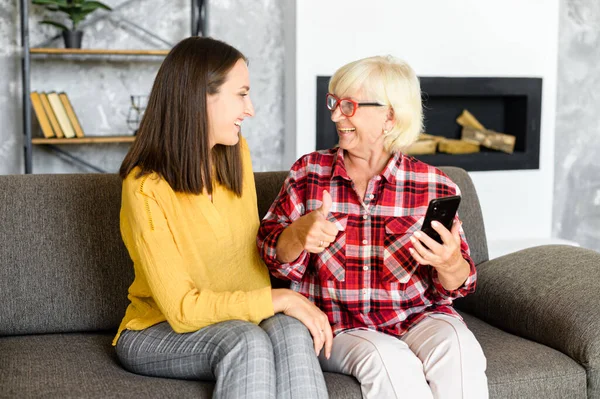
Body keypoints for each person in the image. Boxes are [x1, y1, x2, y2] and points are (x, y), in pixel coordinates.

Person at [257, 55, 488, 399]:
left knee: (459, 347)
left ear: (390, 115)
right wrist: (297, 234)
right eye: (334, 102)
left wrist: (449, 263)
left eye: (348, 105)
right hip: (340, 326)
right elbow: (271, 258)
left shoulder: (433, 185)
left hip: (418, 317)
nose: (336, 115)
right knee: (388, 359)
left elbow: (458, 286)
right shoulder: (309, 173)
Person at [113, 36, 330, 399]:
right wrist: (281, 299)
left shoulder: (235, 153)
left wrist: (297, 240)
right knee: (245, 341)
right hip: (156, 328)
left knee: (293, 332)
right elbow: (182, 309)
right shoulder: (145, 188)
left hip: (236, 317)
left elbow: (245, 265)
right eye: (241, 94)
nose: (251, 109)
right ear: (200, 97)